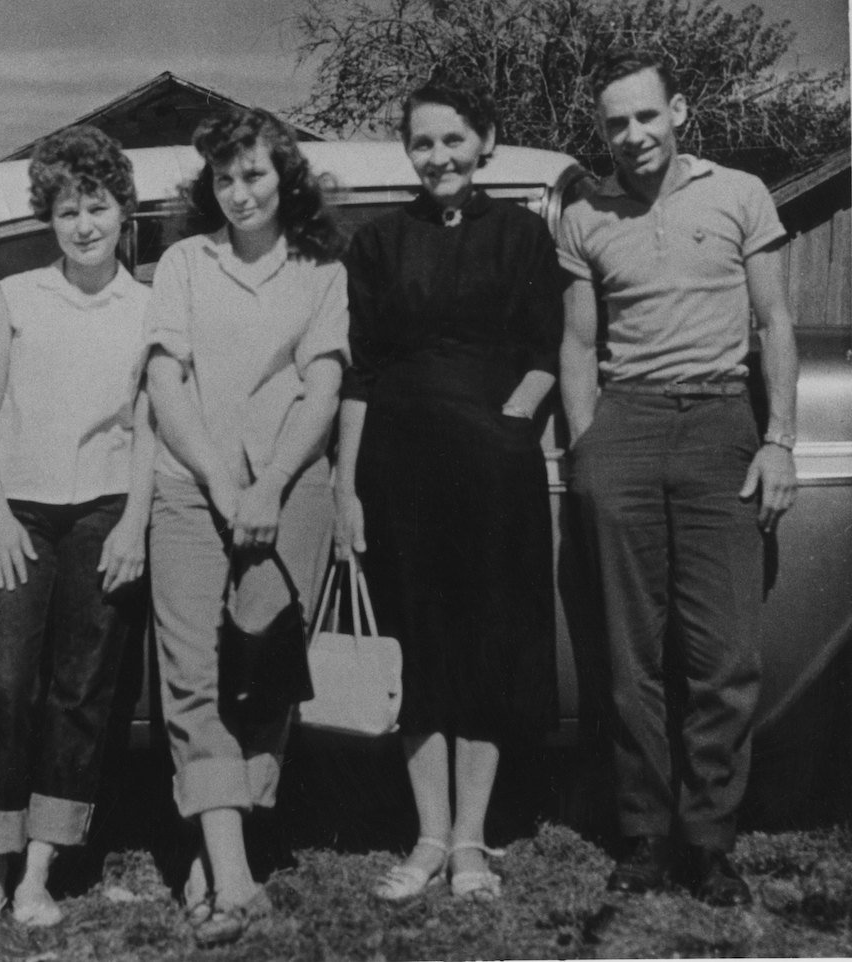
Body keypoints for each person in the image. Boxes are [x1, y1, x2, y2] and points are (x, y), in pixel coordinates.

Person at [558, 50, 798, 907]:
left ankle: (709, 840)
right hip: (628, 421)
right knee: (630, 656)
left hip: (721, 423)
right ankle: (647, 834)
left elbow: (774, 322)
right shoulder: (584, 210)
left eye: (645, 117)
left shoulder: (739, 194)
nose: (632, 137)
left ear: (679, 111)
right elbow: (580, 343)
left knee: (723, 653)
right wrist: (588, 448)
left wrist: (779, 439)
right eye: (615, 124)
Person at [335, 79, 562, 902]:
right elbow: (359, 373)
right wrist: (346, 488)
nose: (439, 157)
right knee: (418, 653)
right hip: (399, 472)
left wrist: (509, 423)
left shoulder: (524, 235)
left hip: (494, 473)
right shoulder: (378, 243)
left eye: (454, 140)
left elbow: (545, 352)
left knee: (484, 651)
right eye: (424, 143)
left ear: (486, 140)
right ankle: (428, 836)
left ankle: (471, 841)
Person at [145, 107, 348, 947]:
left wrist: (267, 486)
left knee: (268, 671)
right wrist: (227, 488)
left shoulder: (320, 270)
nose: (240, 192)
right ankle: (232, 872)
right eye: (224, 179)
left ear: (286, 176)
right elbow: (166, 380)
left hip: (292, 487)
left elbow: (324, 385)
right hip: (192, 489)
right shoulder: (184, 263)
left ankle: (208, 859)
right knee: (192, 672)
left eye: (255, 174)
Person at [0, 125, 154, 929]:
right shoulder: (16, 297)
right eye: (67, 210)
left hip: (104, 512)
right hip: (19, 516)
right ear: (50, 218)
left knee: (81, 691)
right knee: (3, 687)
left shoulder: (148, 308)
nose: (84, 225)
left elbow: (149, 425)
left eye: (96, 206)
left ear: (121, 208)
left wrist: (134, 523)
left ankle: (40, 868)